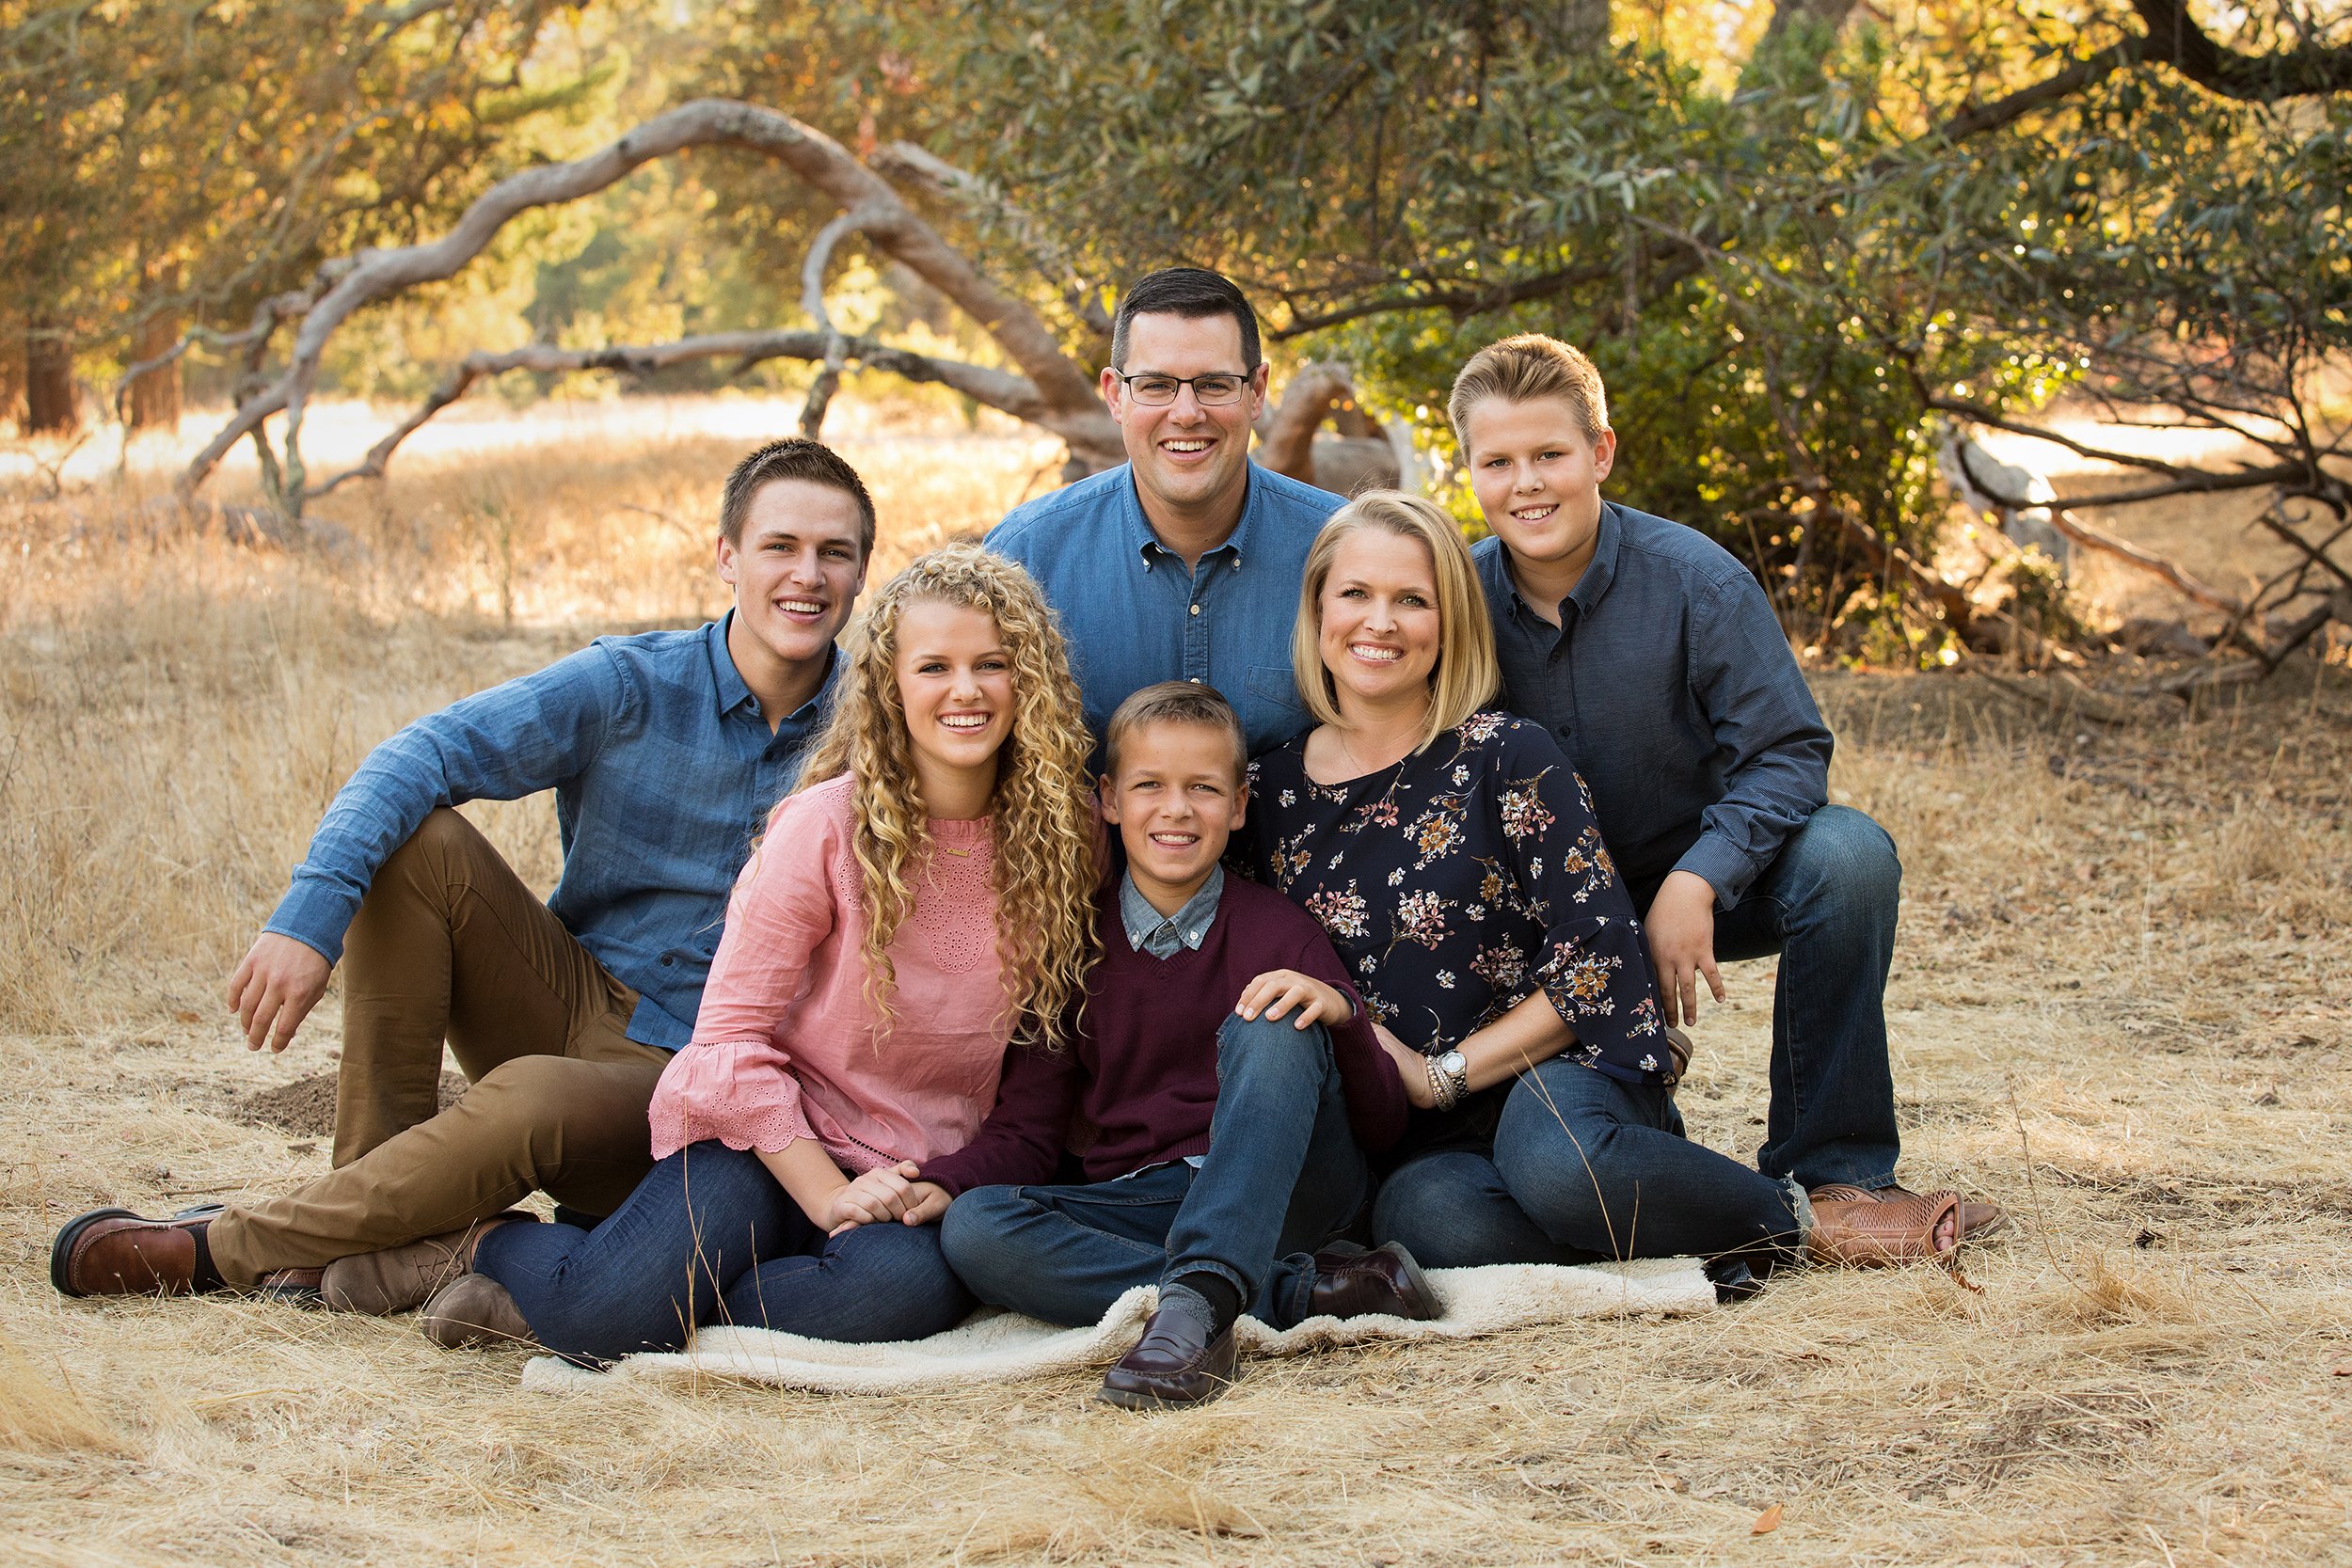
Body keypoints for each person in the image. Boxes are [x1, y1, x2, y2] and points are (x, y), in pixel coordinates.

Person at [51, 437, 875, 1309]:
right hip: (571, 988)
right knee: (421, 841)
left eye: (836, 553)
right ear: (727, 557)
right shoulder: (629, 683)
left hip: (698, 1065)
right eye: (781, 546)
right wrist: (308, 917)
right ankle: (368, 1220)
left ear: (863, 574)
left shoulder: (874, 731)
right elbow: (422, 751)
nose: (807, 575)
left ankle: (224, 1249)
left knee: (529, 1099)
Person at [1246, 492, 1966, 1281]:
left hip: (1561, 1071)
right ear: (1316, 610)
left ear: (1448, 623)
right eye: (1354, 594)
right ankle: (1678, 1214)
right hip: (1425, 1138)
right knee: (1428, 1222)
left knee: (1558, 1164)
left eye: (1411, 600)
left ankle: (1803, 1219)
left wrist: (1437, 1074)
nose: (1378, 622)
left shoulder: (1508, 755)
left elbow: (1598, 960)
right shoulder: (1271, 790)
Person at [415, 544, 1103, 1364]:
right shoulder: (825, 827)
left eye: (993, 663)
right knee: (603, 1320)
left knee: (898, 1294)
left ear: (1030, 680)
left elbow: (1042, 1056)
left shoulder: (1069, 838)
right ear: (890, 686)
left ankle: (659, 1290)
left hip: (914, 1169)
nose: (966, 690)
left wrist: (932, 1183)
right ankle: (492, 1241)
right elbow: (731, 1036)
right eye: (934, 666)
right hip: (770, 1144)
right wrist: (829, 1195)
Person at [1450, 334, 2000, 1238]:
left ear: (1601, 452)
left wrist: (1699, 877)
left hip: (1705, 886)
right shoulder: (1455, 598)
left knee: (1848, 857)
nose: (1528, 484)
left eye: (1550, 453)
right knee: (1541, 1173)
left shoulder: (1697, 581)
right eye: (1498, 462)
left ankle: (1837, 1173)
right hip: (1550, 932)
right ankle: (1644, 1114)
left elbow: (1787, 751)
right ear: (1469, 470)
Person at [933, 682, 1433, 1412]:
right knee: (975, 1228)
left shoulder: (1279, 931)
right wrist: (939, 1179)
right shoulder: (1073, 944)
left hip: (1287, 1188)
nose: (1175, 808)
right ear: (1108, 799)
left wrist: (1344, 1018)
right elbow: (1029, 1131)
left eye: (1202, 788)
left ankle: (1196, 1306)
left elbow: (1384, 1125)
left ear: (1236, 805)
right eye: (1149, 786)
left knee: (1274, 1014)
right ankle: (1285, 1289)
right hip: (1155, 1199)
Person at [987, 266, 1343, 757]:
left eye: (1215, 384)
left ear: (1257, 391)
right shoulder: (1025, 558)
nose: (1186, 413)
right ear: (1115, 395)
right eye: (1156, 385)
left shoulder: (1339, 549)